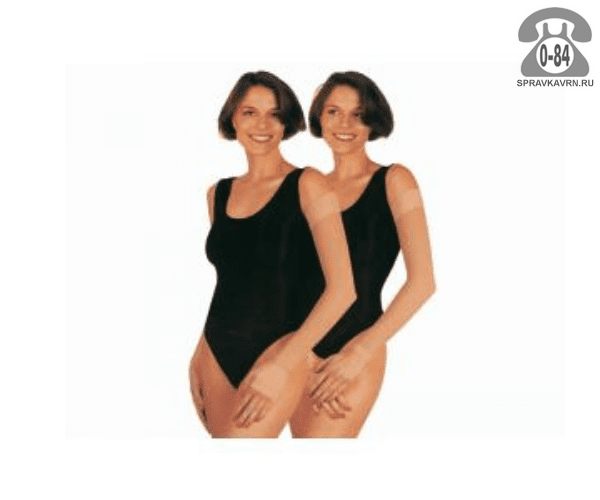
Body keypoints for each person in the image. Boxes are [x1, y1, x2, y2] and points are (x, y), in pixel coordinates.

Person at [188, 71, 356, 438]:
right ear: (232, 118)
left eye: (274, 114)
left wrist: (283, 366)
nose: (262, 125)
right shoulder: (218, 193)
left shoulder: (309, 184)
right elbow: (230, 282)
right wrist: (200, 353)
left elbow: (343, 290)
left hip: (282, 349)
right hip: (217, 349)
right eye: (249, 112)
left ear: (287, 122)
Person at [290, 71, 436, 437]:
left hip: (357, 348)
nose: (345, 124)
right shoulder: (307, 188)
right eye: (334, 112)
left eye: (358, 114)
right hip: (295, 350)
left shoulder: (396, 180)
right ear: (319, 117)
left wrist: (361, 352)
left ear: (373, 120)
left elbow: (423, 282)